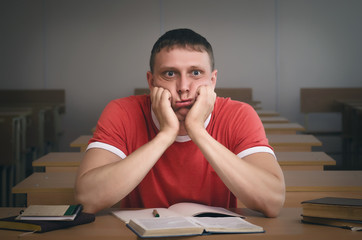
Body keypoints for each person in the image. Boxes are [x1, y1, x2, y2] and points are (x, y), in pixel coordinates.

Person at [75, 28, 285, 217]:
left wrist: (197, 130)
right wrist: (166, 135)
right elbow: (87, 199)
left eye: (195, 73)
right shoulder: (122, 112)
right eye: (170, 73)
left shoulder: (239, 115)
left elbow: (272, 202)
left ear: (212, 80)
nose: (183, 86)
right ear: (151, 81)